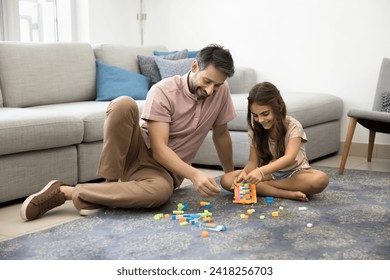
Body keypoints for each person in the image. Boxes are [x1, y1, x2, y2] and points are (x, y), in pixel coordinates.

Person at [21, 44, 236, 221]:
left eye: (216, 86)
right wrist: (194, 173)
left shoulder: (221, 92)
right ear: (195, 65)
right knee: (123, 104)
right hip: (138, 151)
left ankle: (79, 194)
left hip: (163, 174)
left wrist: (228, 174)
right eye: (207, 81)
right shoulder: (164, 90)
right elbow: (159, 150)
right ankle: (104, 186)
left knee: (161, 193)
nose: (210, 91)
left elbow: (221, 134)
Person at [220, 82, 329, 201]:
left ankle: (265, 188)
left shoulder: (293, 126)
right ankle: (286, 194)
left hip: (294, 174)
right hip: (268, 175)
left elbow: (289, 158)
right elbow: (252, 161)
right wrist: (245, 173)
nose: (260, 120)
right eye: (255, 115)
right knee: (226, 180)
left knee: (320, 179)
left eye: (265, 114)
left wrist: (260, 172)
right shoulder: (255, 127)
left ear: (279, 107)